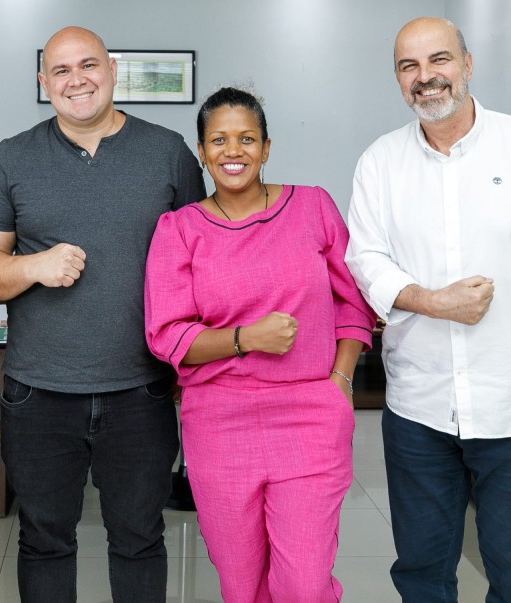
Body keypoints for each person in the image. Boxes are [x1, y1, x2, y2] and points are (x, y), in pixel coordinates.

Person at [345, 17, 511, 602]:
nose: (426, 77)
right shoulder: (380, 162)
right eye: (409, 66)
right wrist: (431, 301)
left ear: (467, 64)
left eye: (439, 60)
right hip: (420, 407)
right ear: (398, 79)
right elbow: (365, 259)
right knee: (421, 572)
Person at [0, 26, 205, 603]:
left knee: (140, 539)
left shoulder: (168, 152)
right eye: (61, 70)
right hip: (37, 393)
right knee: (44, 541)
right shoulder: (13, 156)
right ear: (43, 82)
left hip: (142, 389)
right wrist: (32, 266)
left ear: (113, 71)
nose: (77, 80)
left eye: (89, 65)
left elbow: (203, 261)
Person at [144, 87, 375, 602]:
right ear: (201, 151)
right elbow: (167, 335)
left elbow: (353, 301)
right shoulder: (179, 229)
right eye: (219, 140)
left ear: (267, 148)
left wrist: (340, 380)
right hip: (219, 423)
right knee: (242, 584)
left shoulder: (313, 207)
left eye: (247, 139)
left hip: (310, 417)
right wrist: (246, 340)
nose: (234, 151)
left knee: (304, 585)